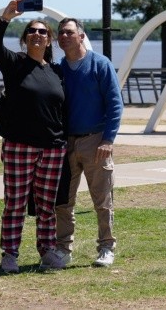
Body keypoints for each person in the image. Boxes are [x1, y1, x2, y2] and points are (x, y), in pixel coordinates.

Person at [0, 0, 68, 273]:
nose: (38, 34)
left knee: (47, 206)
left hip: (53, 148)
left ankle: (47, 251)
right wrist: (5, 19)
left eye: (43, 32)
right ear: (25, 39)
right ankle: (10, 254)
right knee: (15, 203)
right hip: (19, 145)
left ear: (50, 40)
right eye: (32, 31)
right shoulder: (15, 64)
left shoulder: (56, 72)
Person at [54, 17, 124, 268]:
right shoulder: (58, 69)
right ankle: (63, 249)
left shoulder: (100, 64)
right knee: (62, 201)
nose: (63, 36)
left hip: (96, 142)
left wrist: (108, 139)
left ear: (81, 36)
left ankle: (106, 247)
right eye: (60, 33)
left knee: (102, 200)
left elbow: (115, 104)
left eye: (69, 32)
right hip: (66, 145)